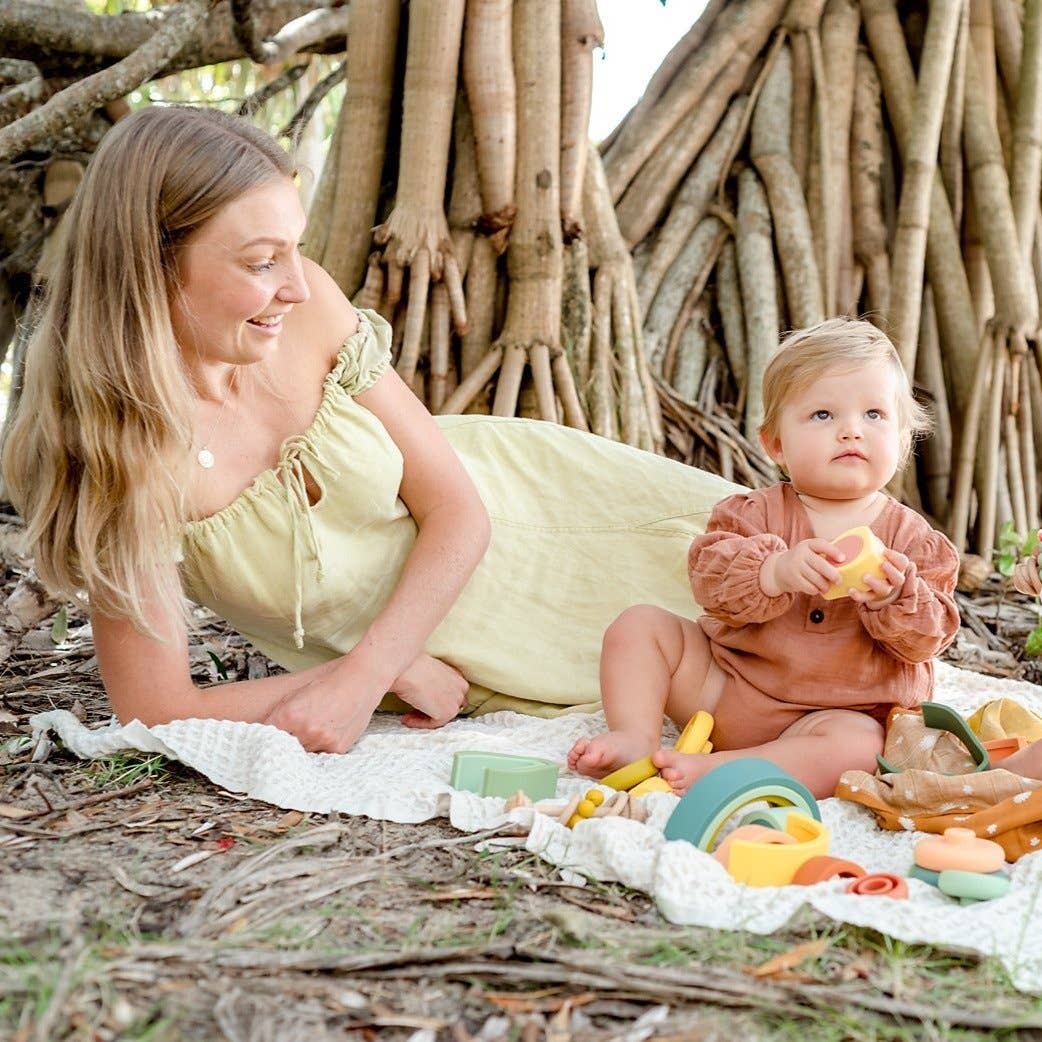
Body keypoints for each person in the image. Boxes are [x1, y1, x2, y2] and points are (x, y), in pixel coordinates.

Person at [2, 105, 738, 755]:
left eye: (295, 247)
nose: (297, 284)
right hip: (482, 651)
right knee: (761, 693)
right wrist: (371, 674)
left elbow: (457, 505)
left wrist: (369, 673)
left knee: (811, 569)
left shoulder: (308, 304)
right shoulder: (112, 453)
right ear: (151, 268)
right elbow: (157, 710)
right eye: (262, 262)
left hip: (546, 504)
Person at [569, 319, 965, 799]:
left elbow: (931, 637)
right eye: (823, 415)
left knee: (860, 750)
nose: (850, 432)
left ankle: (723, 769)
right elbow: (709, 581)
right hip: (730, 691)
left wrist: (898, 597)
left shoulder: (915, 542)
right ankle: (635, 737)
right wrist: (771, 572)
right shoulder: (753, 514)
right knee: (639, 626)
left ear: (902, 440)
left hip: (837, 717)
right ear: (776, 443)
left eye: (874, 415)